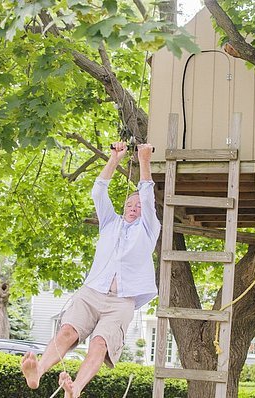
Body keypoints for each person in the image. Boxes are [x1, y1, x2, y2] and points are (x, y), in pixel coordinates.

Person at [21, 142, 161, 398]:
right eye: (130, 204)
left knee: (99, 343)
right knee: (67, 331)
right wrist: (114, 158)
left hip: (121, 301)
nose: (134, 208)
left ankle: (75, 389)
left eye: (138, 206)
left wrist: (144, 161)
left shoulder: (148, 229)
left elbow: (148, 195)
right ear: (123, 208)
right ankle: (38, 372)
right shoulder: (110, 223)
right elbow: (98, 192)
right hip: (92, 292)